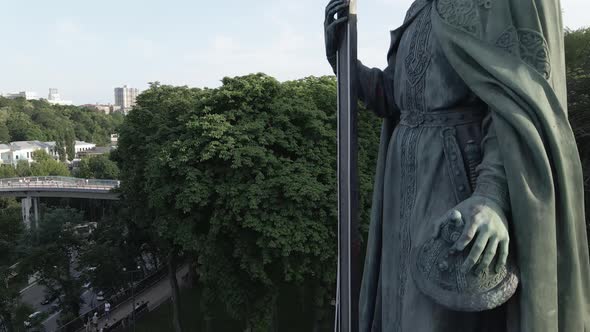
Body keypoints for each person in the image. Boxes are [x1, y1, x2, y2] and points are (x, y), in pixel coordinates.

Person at [324, 0, 590, 331]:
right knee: (397, 313)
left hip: (458, 185)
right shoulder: (421, 8)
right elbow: (395, 96)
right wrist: (344, 61)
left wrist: (493, 194)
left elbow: (517, 107)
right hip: (402, 194)